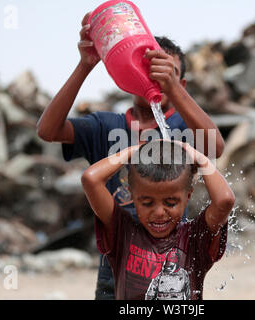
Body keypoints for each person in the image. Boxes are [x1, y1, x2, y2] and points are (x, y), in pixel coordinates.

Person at [36, 12, 225, 299]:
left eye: (168, 72)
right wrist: (85, 65)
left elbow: (216, 148)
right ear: (129, 72)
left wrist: (172, 89)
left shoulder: (184, 126)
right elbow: (48, 130)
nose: (157, 78)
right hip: (117, 260)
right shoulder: (105, 125)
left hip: (174, 260)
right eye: (149, 69)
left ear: (181, 84)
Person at [81, 140, 235, 300]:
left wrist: (200, 158)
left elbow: (225, 200)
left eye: (170, 203)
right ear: (131, 195)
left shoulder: (194, 238)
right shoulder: (123, 233)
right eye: (147, 203)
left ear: (188, 196)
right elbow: (90, 179)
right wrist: (133, 151)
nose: (159, 212)